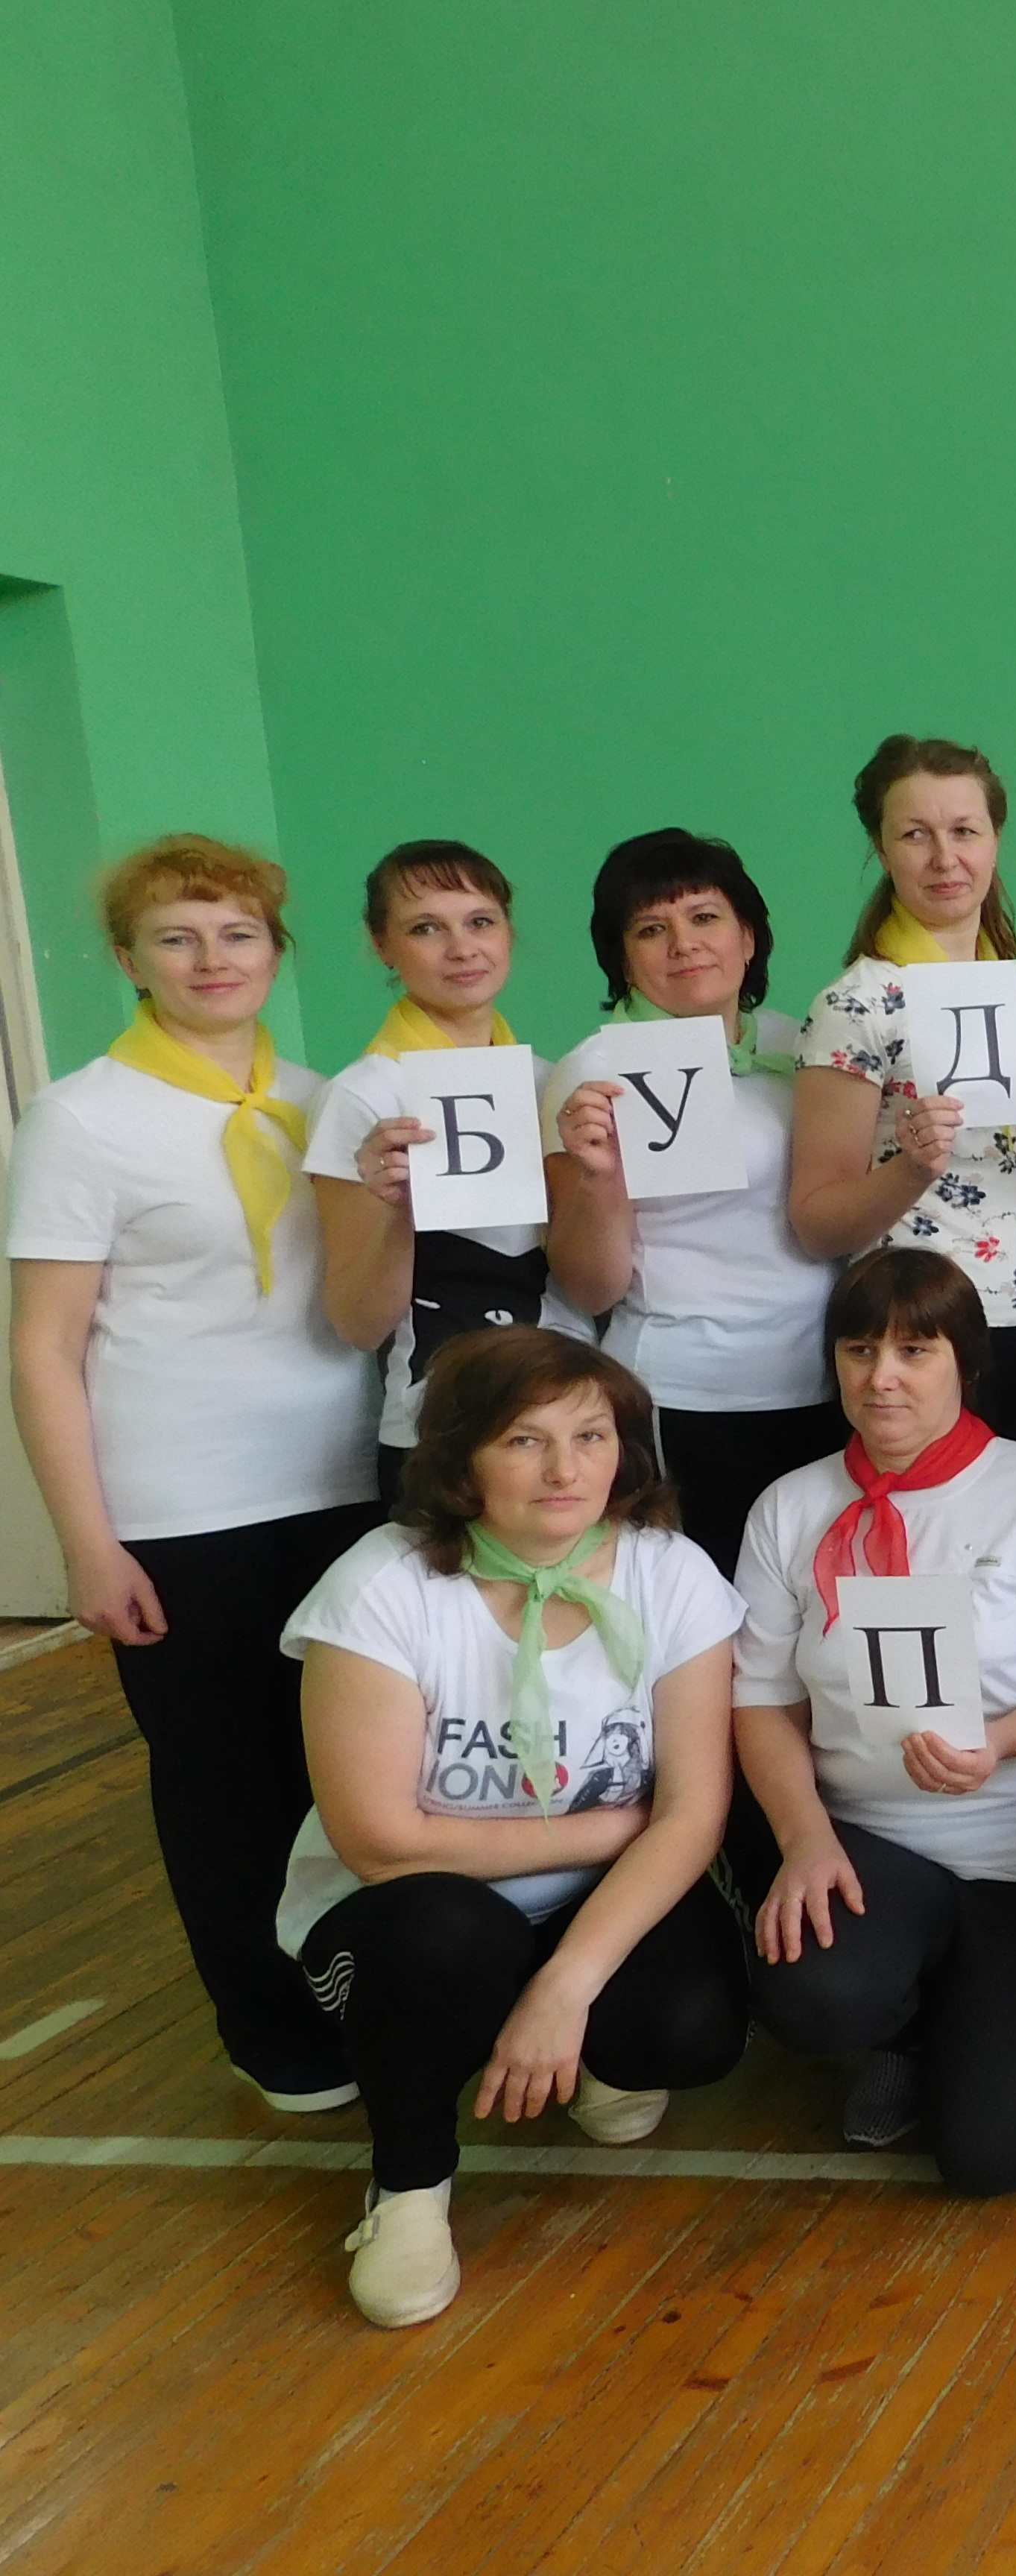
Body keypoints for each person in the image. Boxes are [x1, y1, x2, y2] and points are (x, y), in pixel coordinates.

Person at [6, 837, 380, 2112]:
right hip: (181, 1507)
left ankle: (373, 1992)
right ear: (129, 959)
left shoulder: (331, 1104)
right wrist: (87, 1542)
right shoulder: (80, 1118)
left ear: (277, 950)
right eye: (177, 937)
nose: (211, 959)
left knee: (348, 1772)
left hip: (342, 1485)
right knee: (225, 1786)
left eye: (236, 934)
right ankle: (270, 2027)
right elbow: (45, 1349)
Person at [279, 1329, 747, 2327]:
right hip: (409, 1913)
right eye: (525, 1441)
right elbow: (381, 1842)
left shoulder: (669, 1572)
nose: (566, 1469)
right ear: (461, 1462)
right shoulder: (382, 1586)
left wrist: (567, 1987)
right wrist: (605, 1831)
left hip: (589, 1906)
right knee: (449, 1935)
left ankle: (575, 2046)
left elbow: (693, 1816)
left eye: (591, 1436)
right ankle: (409, 2186)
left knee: (692, 2025)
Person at [728, 1248, 1016, 2189]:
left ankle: (991, 2014)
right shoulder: (790, 1507)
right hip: (876, 1844)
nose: (883, 1378)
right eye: (860, 1350)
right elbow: (762, 1699)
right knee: (811, 1995)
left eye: (916, 1350)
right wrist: (805, 1841)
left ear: (967, 1362)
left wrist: (1000, 1741)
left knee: (988, 2155)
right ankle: (908, 2028)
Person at [545, 830, 845, 1579]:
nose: (684, 944)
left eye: (705, 917)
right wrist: (599, 1178)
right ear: (621, 959)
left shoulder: (802, 1046)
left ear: (749, 935)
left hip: (826, 1383)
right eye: (651, 929)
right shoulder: (594, 1074)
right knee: (705, 1614)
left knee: (818, 1609)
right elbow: (589, 1286)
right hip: (685, 1397)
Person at [790, 735, 1016, 1455]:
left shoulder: (1009, 988)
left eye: (964, 831)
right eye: (916, 835)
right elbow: (817, 1222)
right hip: (908, 1337)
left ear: (995, 840)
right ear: (882, 850)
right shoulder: (855, 1004)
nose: (945, 858)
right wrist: (910, 1169)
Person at [306, 842, 591, 1494]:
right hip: (438, 1432)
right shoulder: (363, 1096)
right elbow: (359, 1325)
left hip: (570, 1427)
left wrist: (594, 1179)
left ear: (508, 931)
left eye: (480, 921)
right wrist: (399, 1211)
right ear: (382, 945)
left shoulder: (556, 1084)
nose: (462, 948)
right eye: (426, 928)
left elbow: (591, 1284)